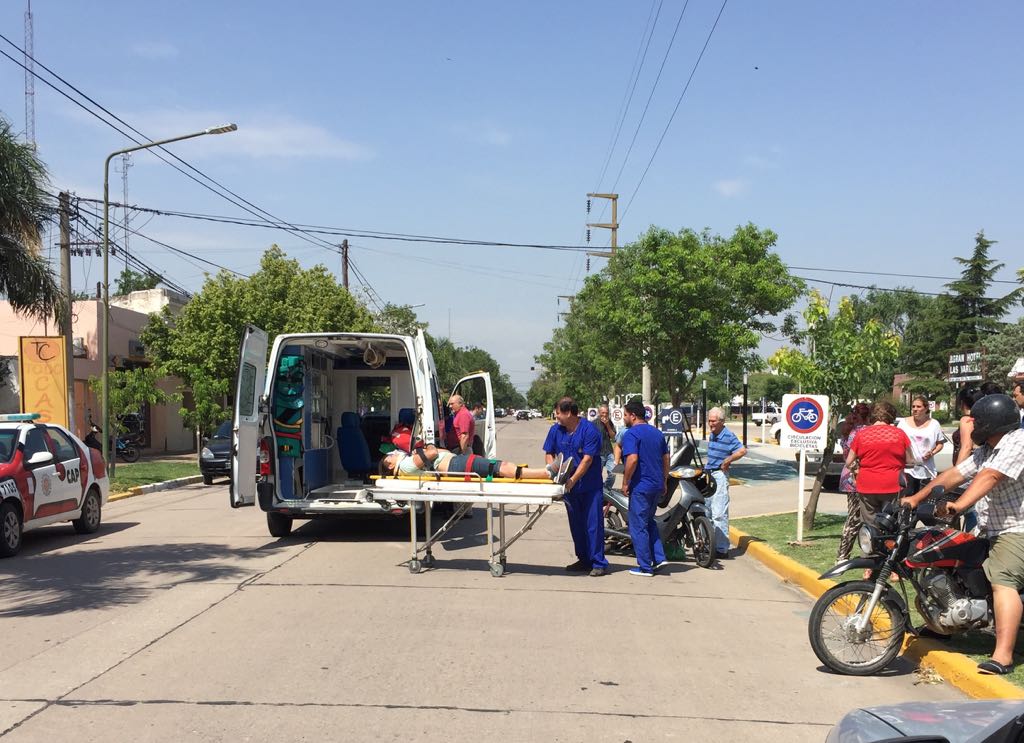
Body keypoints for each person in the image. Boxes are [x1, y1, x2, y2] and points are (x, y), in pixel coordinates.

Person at [902, 394, 1024, 675]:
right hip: (989, 527)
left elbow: (990, 476)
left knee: (1003, 580)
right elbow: (955, 474)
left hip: (1016, 529)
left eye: (976, 421)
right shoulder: (987, 450)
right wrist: (915, 499)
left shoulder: (1017, 441)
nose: (971, 425)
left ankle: (1003, 656)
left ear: (991, 422)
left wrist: (959, 505)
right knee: (948, 561)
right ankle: (944, 627)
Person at [543, 396, 609, 577]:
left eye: (558, 413)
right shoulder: (556, 430)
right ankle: (584, 560)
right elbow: (549, 452)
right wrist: (554, 472)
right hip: (568, 488)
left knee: (593, 525)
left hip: (589, 487)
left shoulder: (589, 430)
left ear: (568, 413)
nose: (556, 416)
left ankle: (598, 562)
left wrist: (572, 480)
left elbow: (587, 460)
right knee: (576, 525)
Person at [846, 401, 914, 532]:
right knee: (891, 522)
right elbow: (911, 460)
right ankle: (890, 543)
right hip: (893, 484)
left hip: (867, 484)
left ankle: (872, 543)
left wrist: (856, 469)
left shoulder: (861, 434)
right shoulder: (899, 434)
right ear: (891, 415)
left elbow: (849, 462)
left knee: (870, 525)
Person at [620, 400, 670, 576]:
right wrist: (664, 480)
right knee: (649, 522)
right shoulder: (657, 433)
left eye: (625, 415)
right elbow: (666, 458)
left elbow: (632, 459)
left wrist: (625, 482)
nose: (624, 418)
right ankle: (659, 557)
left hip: (641, 486)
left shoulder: (631, 434)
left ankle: (645, 567)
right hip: (656, 485)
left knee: (638, 525)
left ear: (633, 416)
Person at [380, 444, 569, 482]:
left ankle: (549, 471)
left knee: (499, 466)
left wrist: (427, 450)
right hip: (456, 466)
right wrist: (426, 447)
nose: (393, 453)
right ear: (390, 465)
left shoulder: (405, 464)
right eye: (390, 456)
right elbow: (433, 452)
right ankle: (548, 473)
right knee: (499, 467)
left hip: (457, 463)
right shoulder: (405, 465)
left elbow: (435, 453)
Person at [705, 406, 746, 559]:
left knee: (719, 513)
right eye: (709, 421)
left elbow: (742, 450)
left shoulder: (728, 435)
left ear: (722, 421)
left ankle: (722, 549)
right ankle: (711, 544)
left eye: (714, 421)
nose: (711, 424)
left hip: (719, 476)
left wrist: (728, 460)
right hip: (709, 474)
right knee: (707, 512)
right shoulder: (713, 434)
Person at [836, 403, 871, 564]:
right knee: (856, 518)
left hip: (847, 477)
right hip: (858, 476)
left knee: (853, 517)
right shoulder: (864, 432)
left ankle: (843, 555)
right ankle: (843, 556)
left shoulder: (848, 430)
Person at [896, 396, 946, 495]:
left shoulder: (934, 424)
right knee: (907, 497)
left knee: (923, 497)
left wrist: (932, 453)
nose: (915, 409)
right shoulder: (903, 423)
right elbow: (896, 442)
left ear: (926, 408)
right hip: (908, 468)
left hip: (926, 468)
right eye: (913, 406)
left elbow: (940, 444)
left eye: (918, 407)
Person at [596, 404, 617, 490]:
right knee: (597, 475)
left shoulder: (610, 423)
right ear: (599, 413)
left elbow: (613, 437)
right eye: (603, 412)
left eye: (606, 413)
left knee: (613, 473)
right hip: (598, 453)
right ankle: (599, 490)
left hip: (609, 452)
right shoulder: (593, 423)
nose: (604, 415)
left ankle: (606, 488)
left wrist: (607, 425)